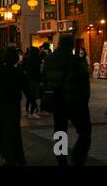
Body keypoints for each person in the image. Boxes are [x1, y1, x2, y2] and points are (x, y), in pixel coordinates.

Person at [43, 34, 91, 166]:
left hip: (57, 101)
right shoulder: (77, 60)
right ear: (71, 45)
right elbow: (85, 84)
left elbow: (46, 82)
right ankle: (78, 157)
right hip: (76, 102)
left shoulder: (49, 59)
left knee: (60, 131)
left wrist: (47, 97)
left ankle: (61, 160)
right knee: (85, 132)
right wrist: (85, 100)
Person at [0, 47, 26, 166]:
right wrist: (32, 100)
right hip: (14, 105)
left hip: (0, 105)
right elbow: (25, 87)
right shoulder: (18, 71)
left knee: (3, 131)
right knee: (14, 131)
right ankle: (17, 156)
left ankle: (6, 156)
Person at [25, 47, 41, 118]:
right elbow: (38, 72)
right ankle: (33, 112)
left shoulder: (28, 59)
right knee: (35, 96)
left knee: (30, 96)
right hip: (35, 80)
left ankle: (27, 110)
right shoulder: (37, 60)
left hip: (29, 80)